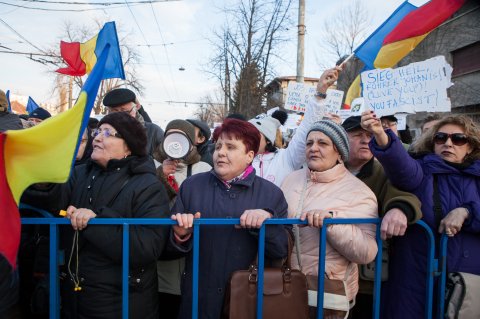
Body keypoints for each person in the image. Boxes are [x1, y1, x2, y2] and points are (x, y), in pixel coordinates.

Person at [21, 112, 170, 319]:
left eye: (108, 133)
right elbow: (52, 201)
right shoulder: (79, 173)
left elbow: (147, 246)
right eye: (97, 131)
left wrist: (95, 222)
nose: (97, 137)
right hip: (73, 298)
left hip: (122, 303)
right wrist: (44, 180)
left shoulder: (148, 186)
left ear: (129, 146)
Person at [361, 111, 480, 319]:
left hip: (467, 281)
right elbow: (399, 165)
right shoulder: (421, 169)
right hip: (415, 280)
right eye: (441, 138)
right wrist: (380, 133)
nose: (448, 143)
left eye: (458, 139)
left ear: (470, 146)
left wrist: (466, 212)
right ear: (432, 143)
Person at [169, 118, 291, 319]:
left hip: (247, 301)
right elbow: (168, 247)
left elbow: (281, 250)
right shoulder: (192, 187)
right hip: (198, 300)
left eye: (231, 147)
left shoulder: (271, 194)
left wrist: (265, 225)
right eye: (218, 146)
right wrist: (180, 235)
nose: (221, 152)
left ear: (250, 155)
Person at [281, 120, 378, 318]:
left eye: (322, 143)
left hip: (328, 296)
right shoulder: (291, 179)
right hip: (287, 289)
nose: (313, 149)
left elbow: (366, 252)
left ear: (339, 152)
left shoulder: (359, 192)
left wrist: (332, 224)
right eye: (309, 143)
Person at [341, 116, 422, 318]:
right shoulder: (325, 168)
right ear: (341, 139)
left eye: (369, 135)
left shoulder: (383, 171)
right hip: (328, 275)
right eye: (358, 135)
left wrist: (399, 209)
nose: (366, 140)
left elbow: (403, 194)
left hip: (366, 279)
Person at [154, 119, 211, 319]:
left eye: (181, 135)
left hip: (192, 249)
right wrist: (159, 176)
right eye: (171, 134)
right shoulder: (151, 165)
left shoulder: (202, 168)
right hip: (162, 249)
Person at [249, 66, 342, 186]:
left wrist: (320, 93)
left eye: (254, 134)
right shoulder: (238, 160)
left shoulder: (285, 159)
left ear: (268, 140)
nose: (247, 138)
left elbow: (306, 129)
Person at [103, 88, 164, 157]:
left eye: (125, 112)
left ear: (136, 107)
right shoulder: (101, 133)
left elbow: (166, 162)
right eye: (114, 112)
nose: (119, 117)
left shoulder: (154, 132)